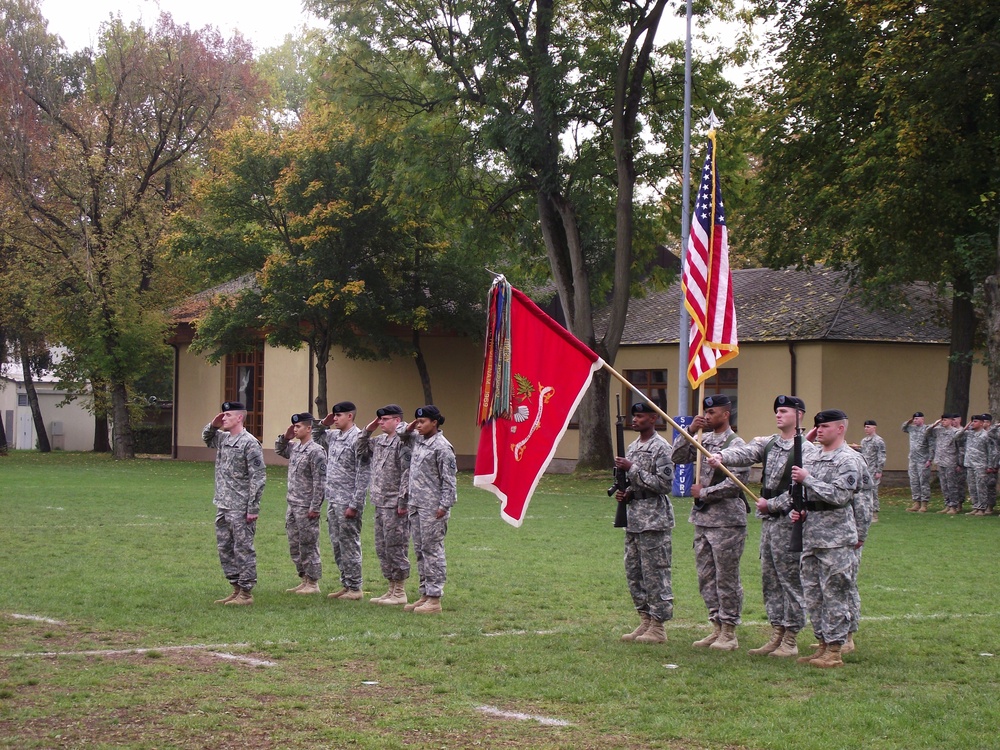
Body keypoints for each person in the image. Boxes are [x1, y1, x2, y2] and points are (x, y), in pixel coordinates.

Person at [709, 395, 818, 658]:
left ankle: (791, 638)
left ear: (799, 415)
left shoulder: (807, 449)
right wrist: (722, 455)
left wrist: (773, 505)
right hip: (770, 522)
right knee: (770, 580)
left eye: (784, 411)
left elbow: (802, 490)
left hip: (789, 520)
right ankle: (777, 632)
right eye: (776, 411)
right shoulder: (768, 443)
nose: (778, 415)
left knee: (790, 579)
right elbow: (746, 452)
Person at [790, 409, 871, 669]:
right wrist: (798, 509)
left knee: (834, 592)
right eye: (818, 426)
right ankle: (823, 642)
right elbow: (805, 493)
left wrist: (808, 479)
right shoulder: (813, 457)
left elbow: (840, 496)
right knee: (813, 594)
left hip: (836, 537)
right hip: (811, 534)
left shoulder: (848, 459)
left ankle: (836, 649)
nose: (820, 430)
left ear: (840, 428)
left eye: (825, 426)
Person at [670, 395, 749, 651]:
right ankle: (715, 625)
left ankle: (729, 630)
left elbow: (736, 483)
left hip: (727, 521)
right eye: (706, 411)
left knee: (726, 577)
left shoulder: (736, 445)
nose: (707, 415)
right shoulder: (702, 437)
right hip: (703, 520)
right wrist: (691, 430)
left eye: (712, 412)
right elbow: (678, 456)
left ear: (726, 414)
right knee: (706, 576)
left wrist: (703, 493)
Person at [615, 402, 675, 644]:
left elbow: (664, 484)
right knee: (634, 572)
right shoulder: (632, 446)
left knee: (655, 573)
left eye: (640, 416)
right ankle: (645, 620)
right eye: (634, 416)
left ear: (653, 418)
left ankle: (659, 626)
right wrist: (625, 492)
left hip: (654, 518)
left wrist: (633, 469)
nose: (635, 420)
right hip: (634, 517)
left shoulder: (662, 448)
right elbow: (632, 482)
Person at [202, 401, 266, 606]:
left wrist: (253, 508)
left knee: (243, 548)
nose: (224, 418)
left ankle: (246, 594)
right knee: (225, 548)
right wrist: (213, 424)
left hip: (240, 506)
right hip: (223, 503)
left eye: (228, 415)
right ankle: (236, 588)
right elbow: (206, 437)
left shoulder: (249, 443)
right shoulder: (222, 439)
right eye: (223, 415)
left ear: (240, 417)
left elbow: (258, 477)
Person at [400, 405, 457, 614]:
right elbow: (401, 434)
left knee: (433, 551)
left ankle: (435, 598)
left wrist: (443, 506)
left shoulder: (442, 447)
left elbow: (449, 482)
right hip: (416, 505)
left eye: (423, 421)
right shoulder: (418, 440)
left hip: (433, 508)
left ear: (435, 422)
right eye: (417, 421)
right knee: (420, 551)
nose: (419, 425)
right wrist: (413, 425)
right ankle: (424, 593)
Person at [357, 404, 412, 606]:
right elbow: (359, 448)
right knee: (383, 547)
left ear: (397, 421)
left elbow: (407, 472)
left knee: (396, 546)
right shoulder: (379, 441)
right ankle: (390, 588)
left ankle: (400, 590)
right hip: (380, 502)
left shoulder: (403, 442)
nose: (381, 422)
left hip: (395, 503)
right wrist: (368, 429)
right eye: (379, 419)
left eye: (385, 419)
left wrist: (403, 500)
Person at [316, 401, 371, 600]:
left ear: (350, 416)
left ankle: (355, 587)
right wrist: (324, 422)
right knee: (337, 544)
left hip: (348, 501)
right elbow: (316, 435)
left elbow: (363, 474)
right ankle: (346, 584)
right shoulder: (334, 436)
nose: (335, 419)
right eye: (334, 416)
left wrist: (355, 504)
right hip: (333, 499)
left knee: (349, 544)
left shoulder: (358, 439)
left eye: (338, 415)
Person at [275, 412, 327, 594]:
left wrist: (315, 506)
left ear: (309, 428)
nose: (295, 429)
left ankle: (313, 583)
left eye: (298, 427)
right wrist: (286, 436)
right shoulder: (296, 448)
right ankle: (304, 578)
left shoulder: (316, 451)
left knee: (309, 544)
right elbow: (280, 449)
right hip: (293, 504)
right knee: (295, 544)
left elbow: (320, 482)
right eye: (294, 427)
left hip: (306, 506)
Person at [928, 414, 964, 514]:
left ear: (951, 421)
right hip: (941, 461)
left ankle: (954, 506)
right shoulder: (938, 430)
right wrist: (934, 424)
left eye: (945, 420)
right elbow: (927, 433)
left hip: (951, 461)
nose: (943, 422)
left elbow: (960, 448)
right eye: (942, 420)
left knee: (951, 485)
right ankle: (947, 505)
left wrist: (959, 463)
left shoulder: (956, 432)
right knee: (944, 485)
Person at [851, 420, 886, 522]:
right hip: (865, 470)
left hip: (874, 469)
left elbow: (881, 456)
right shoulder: (864, 441)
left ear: (874, 428)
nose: (866, 429)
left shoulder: (878, 441)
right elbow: (864, 453)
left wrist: (879, 470)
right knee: (864, 491)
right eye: (865, 427)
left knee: (873, 491)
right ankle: (866, 512)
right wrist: (856, 449)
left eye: (868, 427)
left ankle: (874, 513)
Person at [957, 415, 989, 516]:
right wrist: (965, 428)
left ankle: (982, 508)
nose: (973, 423)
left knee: (981, 487)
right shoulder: (969, 433)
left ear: (981, 423)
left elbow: (991, 451)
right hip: (969, 463)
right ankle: (975, 506)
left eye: (975, 421)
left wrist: (990, 465)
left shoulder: (985, 435)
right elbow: (956, 437)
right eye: (972, 421)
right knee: (972, 487)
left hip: (980, 464)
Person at [902, 412, 933, 512]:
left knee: (923, 481)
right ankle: (916, 502)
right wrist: (909, 421)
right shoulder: (911, 428)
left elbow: (932, 445)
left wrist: (930, 459)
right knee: (914, 481)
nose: (915, 421)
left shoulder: (927, 429)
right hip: (913, 459)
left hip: (923, 460)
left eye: (917, 419)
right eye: (914, 419)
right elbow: (903, 428)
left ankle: (924, 504)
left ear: (922, 419)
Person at [982, 414, 998, 515]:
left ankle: (990, 506)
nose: (982, 423)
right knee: (983, 485)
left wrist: (994, 465)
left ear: (988, 422)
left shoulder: (994, 432)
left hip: (993, 463)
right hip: (982, 462)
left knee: (990, 485)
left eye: (984, 421)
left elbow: (995, 451)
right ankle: (982, 506)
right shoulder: (979, 433)